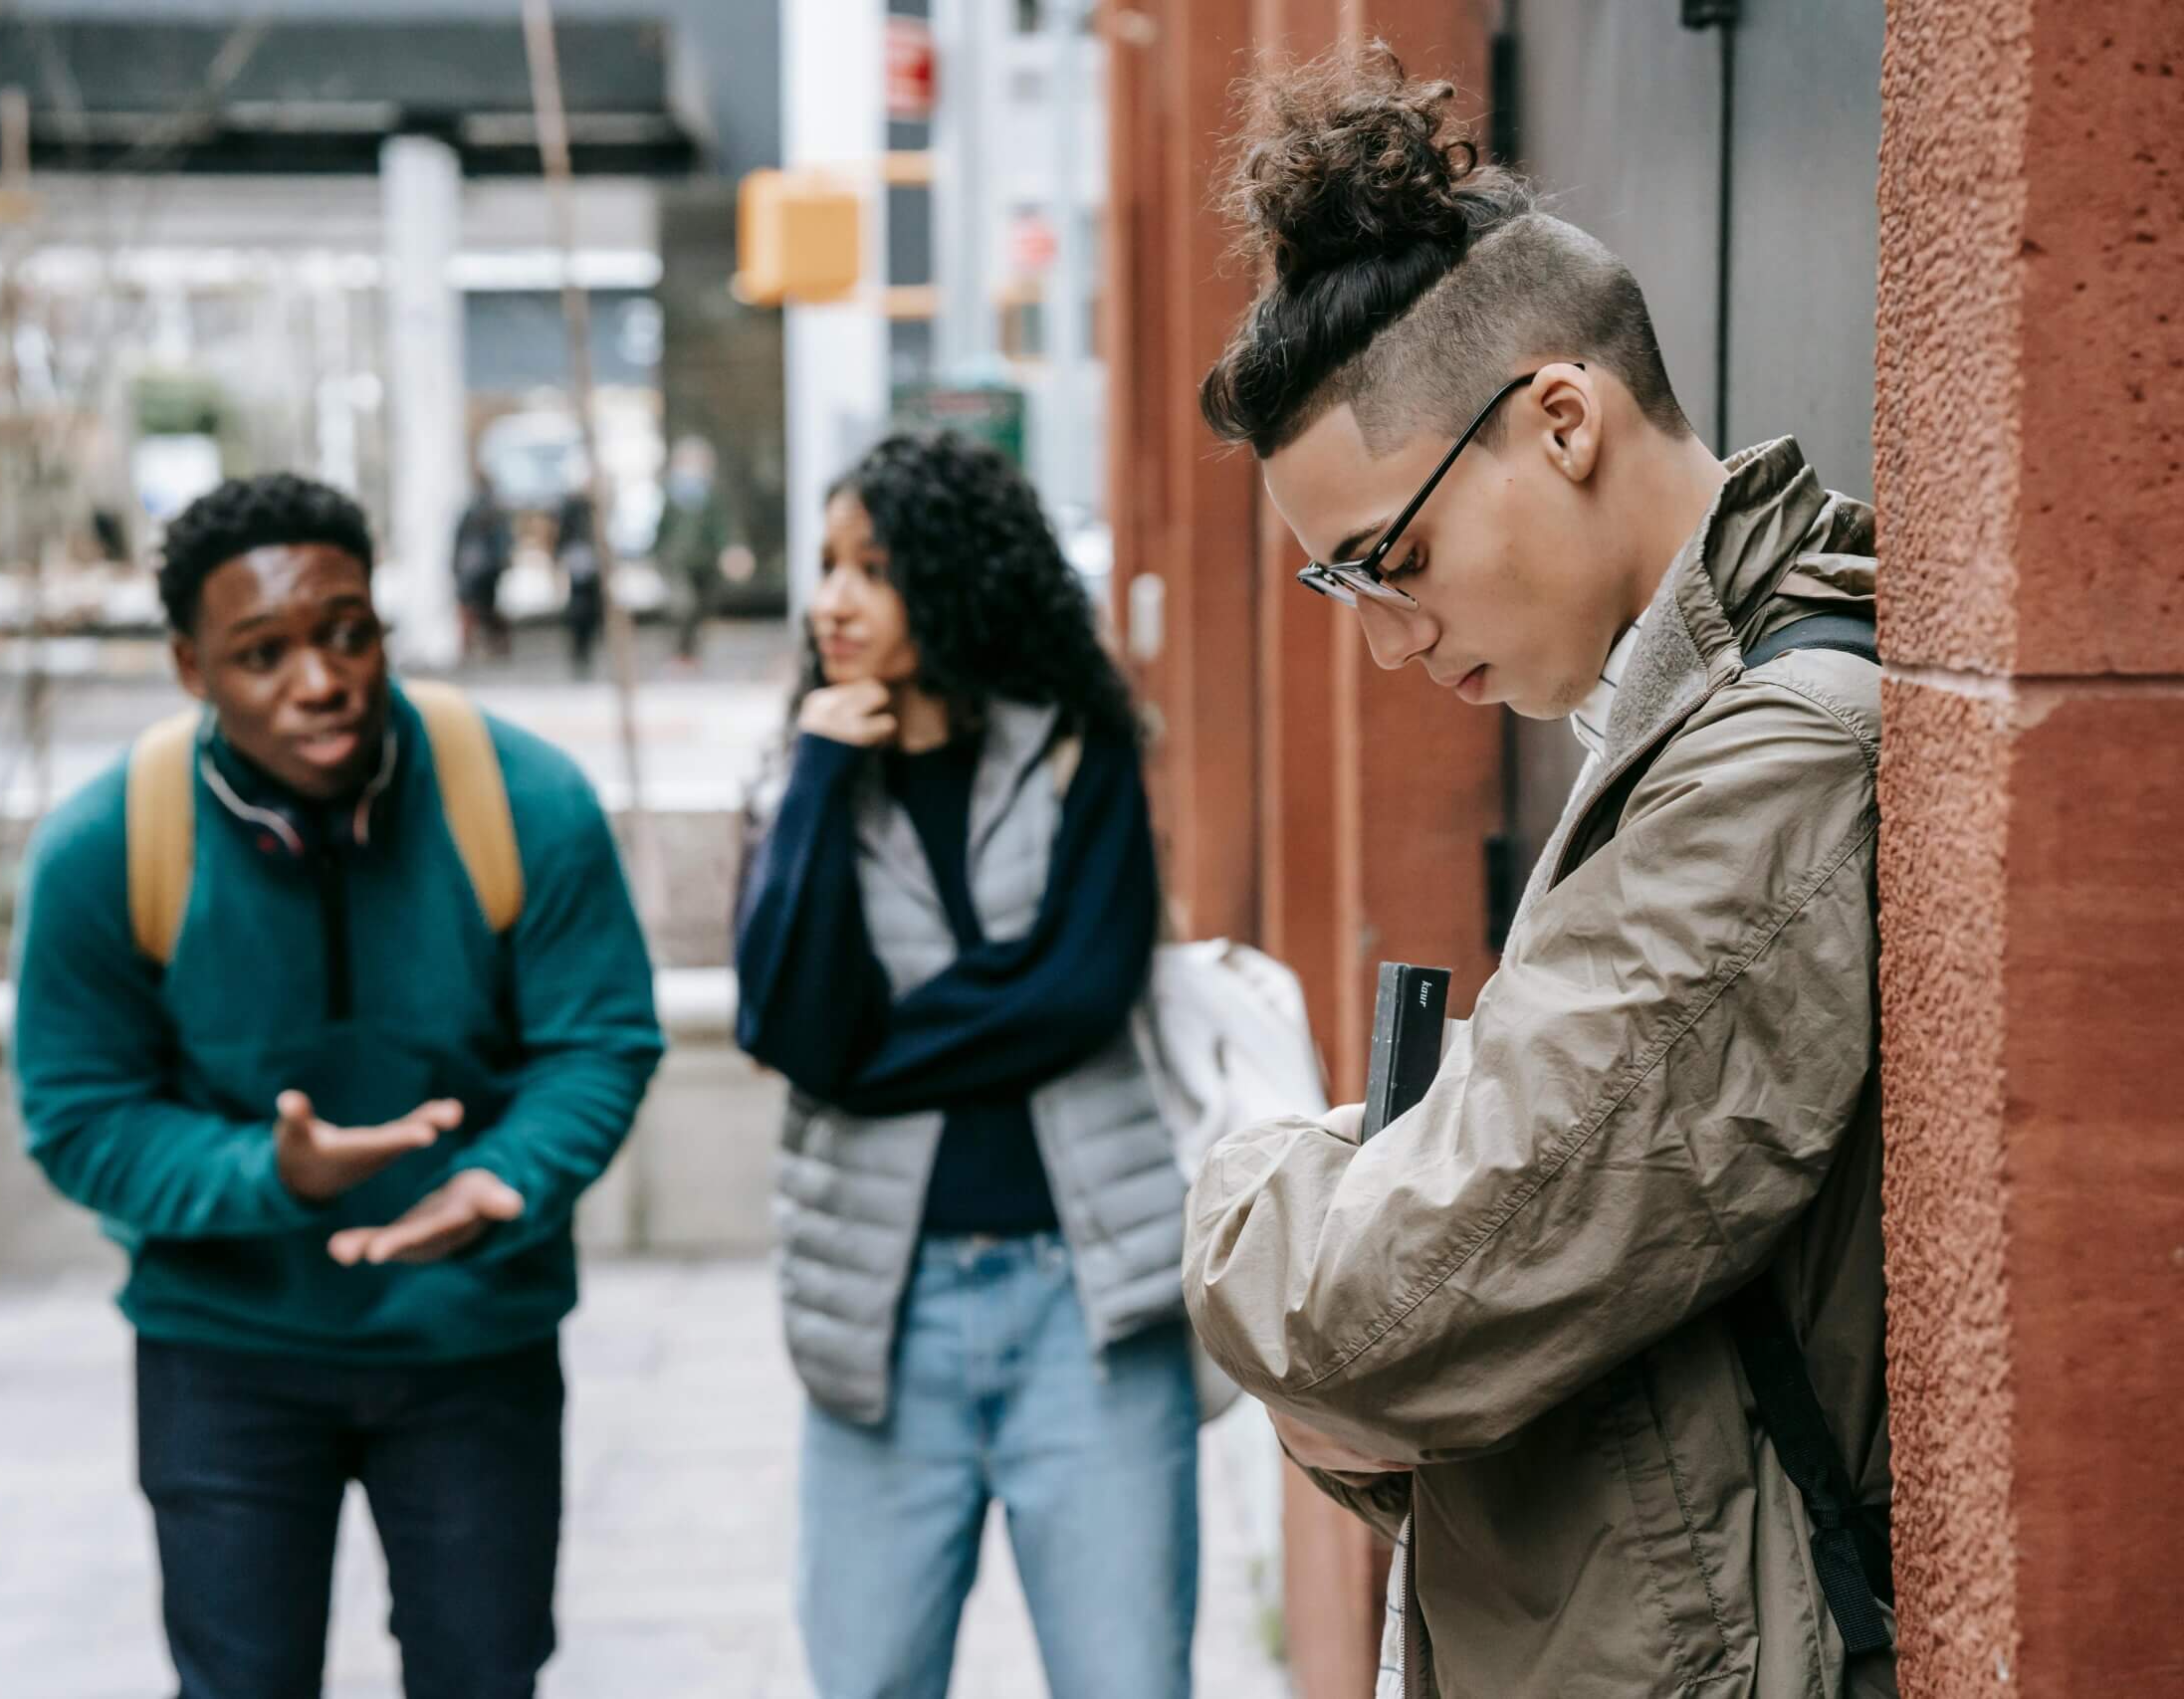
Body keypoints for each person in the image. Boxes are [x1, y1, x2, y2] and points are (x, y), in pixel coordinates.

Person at [1177, 50, 1893, 1699]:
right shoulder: (1675, 735)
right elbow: (1415, 1351)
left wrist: (1244, 1184)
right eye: (1336, 582)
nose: (1386, 642)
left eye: (1395, 560)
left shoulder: (1772, 765)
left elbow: (1373, 1313)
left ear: (1562, 418)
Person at [9, 472, 664, 1699]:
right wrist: (273, 1174)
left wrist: (502, 1181)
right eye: (261, 653)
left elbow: (602, 1040)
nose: (320, 681)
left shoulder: (523, 802)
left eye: (345, 632)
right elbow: (78, 1114)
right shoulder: (110, 845)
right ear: (192, 670)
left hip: (476, 1343)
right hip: (226, 1356)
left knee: (484, 1677)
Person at [734, 431, 1199, 1699]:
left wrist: (864, 1055)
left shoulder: (1075, 746)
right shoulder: (799, 774)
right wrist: (825, 769)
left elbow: (1078, 989)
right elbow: (782, 1019)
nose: (831, 599)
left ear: (949, 577)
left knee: (1128, 1682)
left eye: (871, 569)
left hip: (1087, 1307)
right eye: (826, 566)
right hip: (881, 1319)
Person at [651, 435, 748, 668]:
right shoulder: (670, 493)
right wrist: (656, 556)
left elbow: (723, 526)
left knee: (701, 609)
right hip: (676, 562)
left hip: (705, 562)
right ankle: (680, 653)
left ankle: (692, 653)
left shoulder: (712, 494)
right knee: (683, 605)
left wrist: (732, 549)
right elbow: (661, 528)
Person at [452, 472, 514, 659]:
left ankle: (485, 644)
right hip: (478, 568)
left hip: (481, 567)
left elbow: (501, 540)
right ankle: (474, 645)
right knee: (476, 607)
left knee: (482, 608)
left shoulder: (488, 511)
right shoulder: (482, 511)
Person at [553, 489, 602, 681]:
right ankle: (580, 651)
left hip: (587, 568)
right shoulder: (576, 509)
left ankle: (582, 650)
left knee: (586, 611)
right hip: (580, 567)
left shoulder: (593, 508)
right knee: (581, 611)